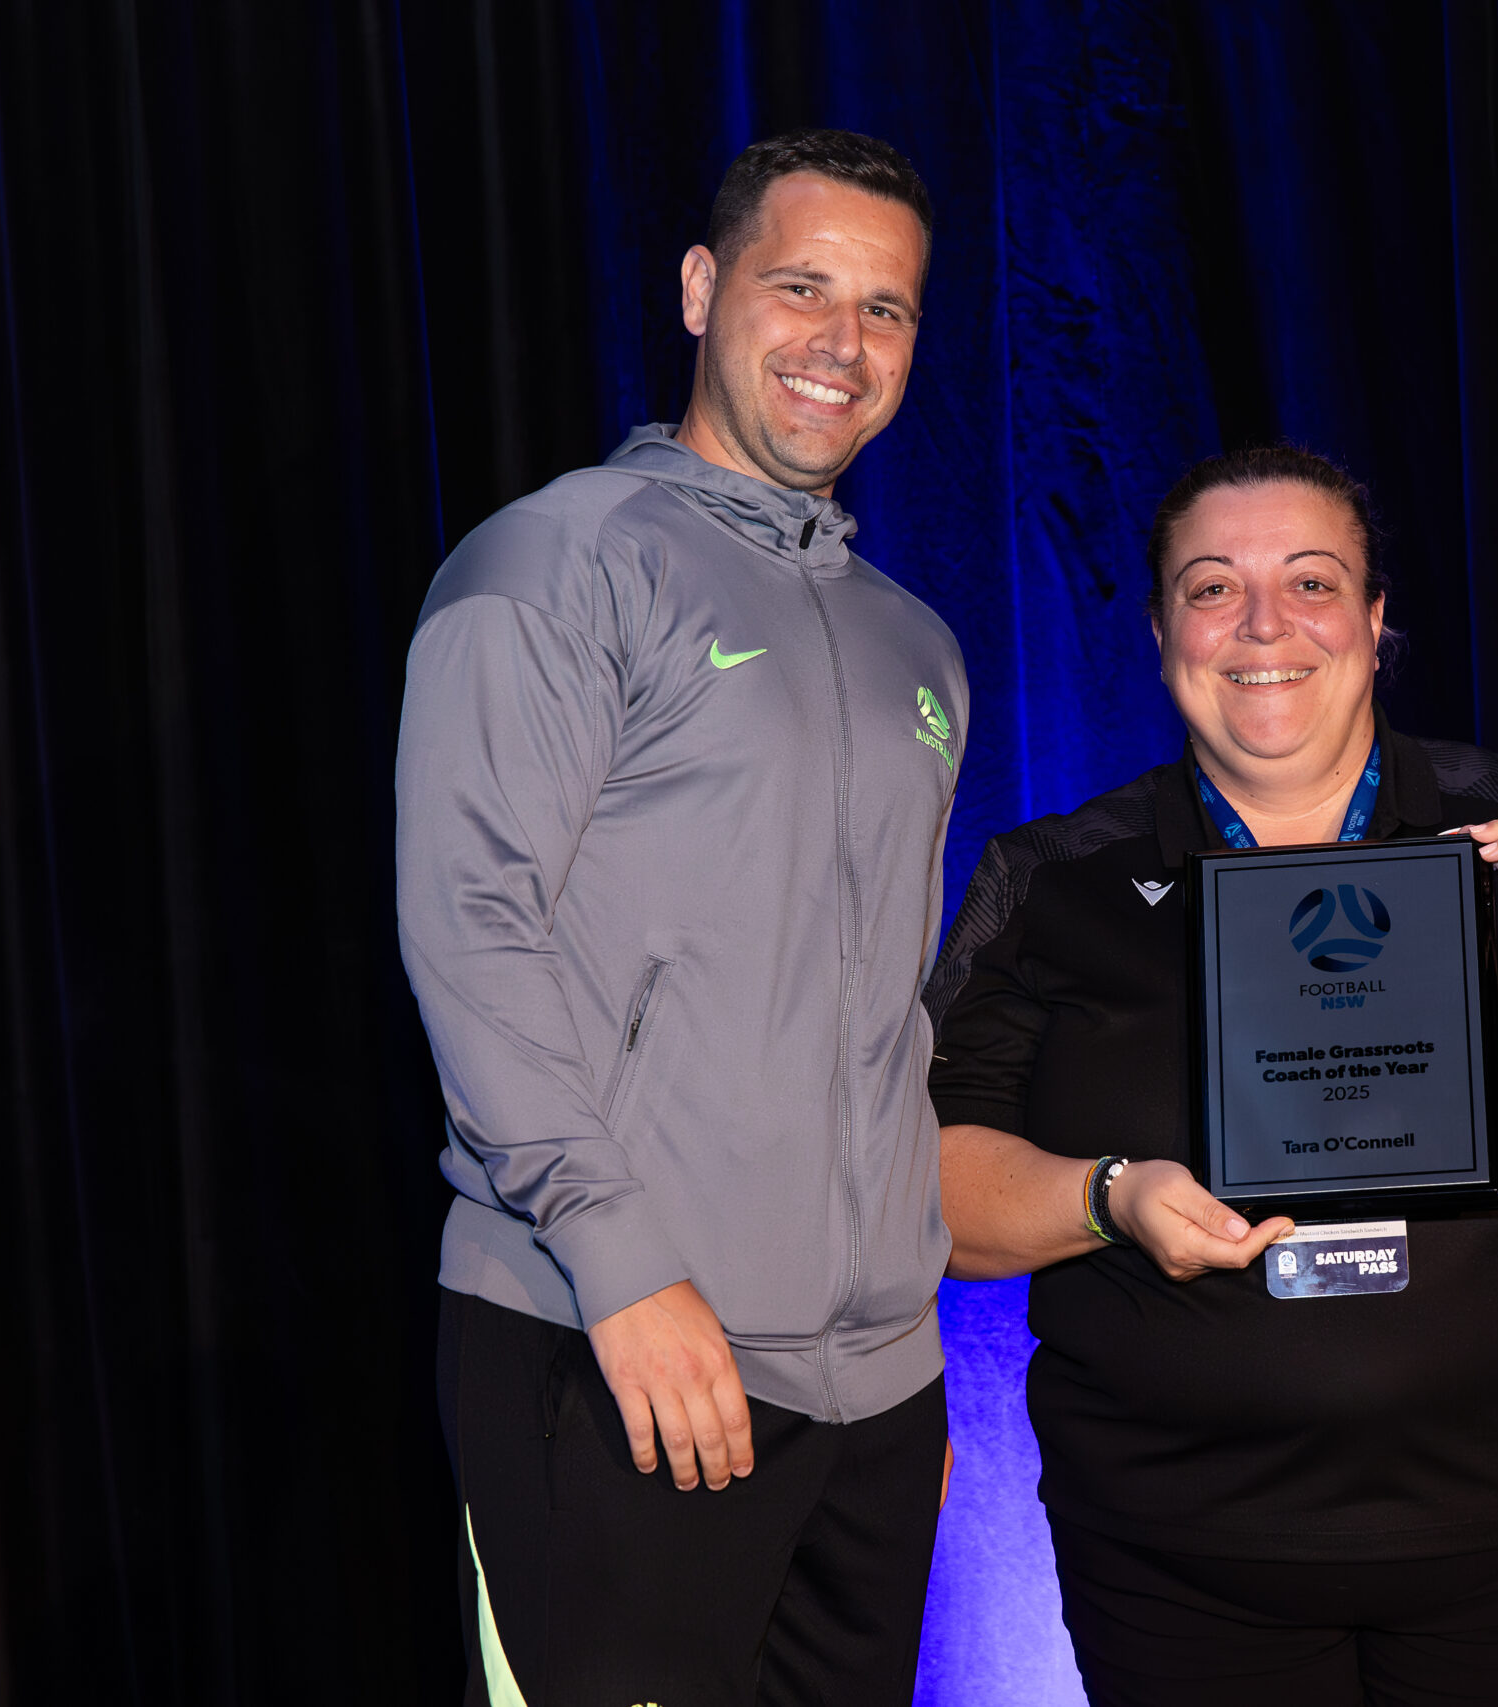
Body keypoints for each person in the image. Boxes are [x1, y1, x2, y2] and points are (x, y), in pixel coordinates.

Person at [924, 446, 1498, 1706]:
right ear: (1161, 627)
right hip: (1182, 1557)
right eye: (1212, 587)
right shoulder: (1054, 880)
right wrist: (1111, 1198)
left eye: (1313, 582)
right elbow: (929, 1194)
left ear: (1377, 624)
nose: (1264, 625)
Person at [397, 130, 964, 1706]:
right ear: (705, 290)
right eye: (803, 287)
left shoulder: (914, 643)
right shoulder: (555, 563)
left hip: (869, 1391)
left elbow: (882, 1020)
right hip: (620, 1338)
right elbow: (471, 929)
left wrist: (903, 1365)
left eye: (888, 309)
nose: (842, 344)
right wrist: (624, 1265)